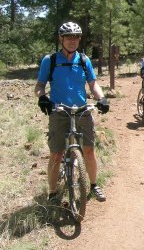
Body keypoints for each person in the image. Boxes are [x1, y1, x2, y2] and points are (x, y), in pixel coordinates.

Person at [34, 21, 109, 202]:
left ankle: (93, 184)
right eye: (68, 37)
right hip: (59, 111)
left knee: (89, 151)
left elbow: (92, 83)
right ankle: (52, 192)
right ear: (61, 39)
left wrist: (101, 98)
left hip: (82, 110)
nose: (72, 40)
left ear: (79, 39)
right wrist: (42, 97)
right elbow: (40, 85)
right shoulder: (50, 60)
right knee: (56, 153)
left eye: (75, 37)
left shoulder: (84, 60)